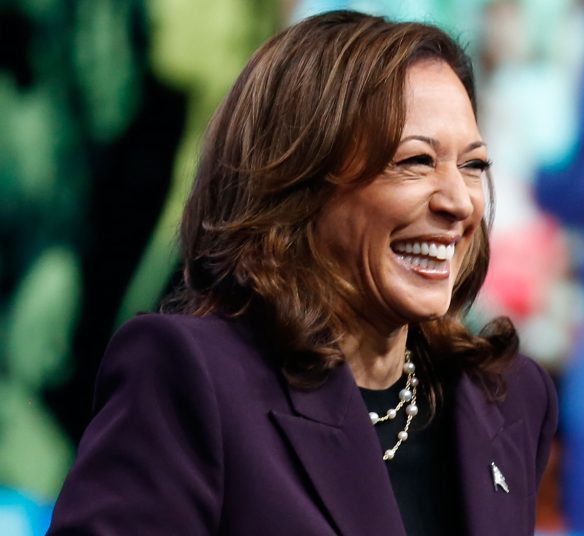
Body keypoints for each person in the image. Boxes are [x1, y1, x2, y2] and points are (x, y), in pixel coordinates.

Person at [47, 10, 557, 536]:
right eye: (416, 161)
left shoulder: (510, 400)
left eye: (472, 165)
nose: (458, 202)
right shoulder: (189, 379)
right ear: (301, 182)